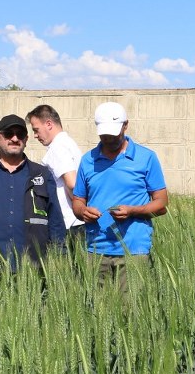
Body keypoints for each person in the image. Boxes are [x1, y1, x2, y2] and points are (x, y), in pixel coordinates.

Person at [70, 101, 168, 286]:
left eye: (114, 134)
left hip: (134, 249)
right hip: (96, 249)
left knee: (131, 311)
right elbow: (77, 200)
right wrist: (83, 211)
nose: (109, 139)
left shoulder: (146, 158)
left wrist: (132, 211)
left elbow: (162, 203)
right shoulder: (87, 160)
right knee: (96, 309)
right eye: (104, 135)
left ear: (126, 125)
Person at [0, 114, 67, 271]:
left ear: (26, 139)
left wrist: (60, 257)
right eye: (9, 134)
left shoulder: (42, 174)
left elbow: (55, 220)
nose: (15, 138)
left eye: (20, 134)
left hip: (32, 268)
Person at [26, 104, 85, 240]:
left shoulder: (57, 147)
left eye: (36, 130)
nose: (35, 135)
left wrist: (80, 210)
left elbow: (72, 183)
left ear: (48, 124)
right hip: (77, 222)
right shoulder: (69, 143)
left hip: (70, 223)